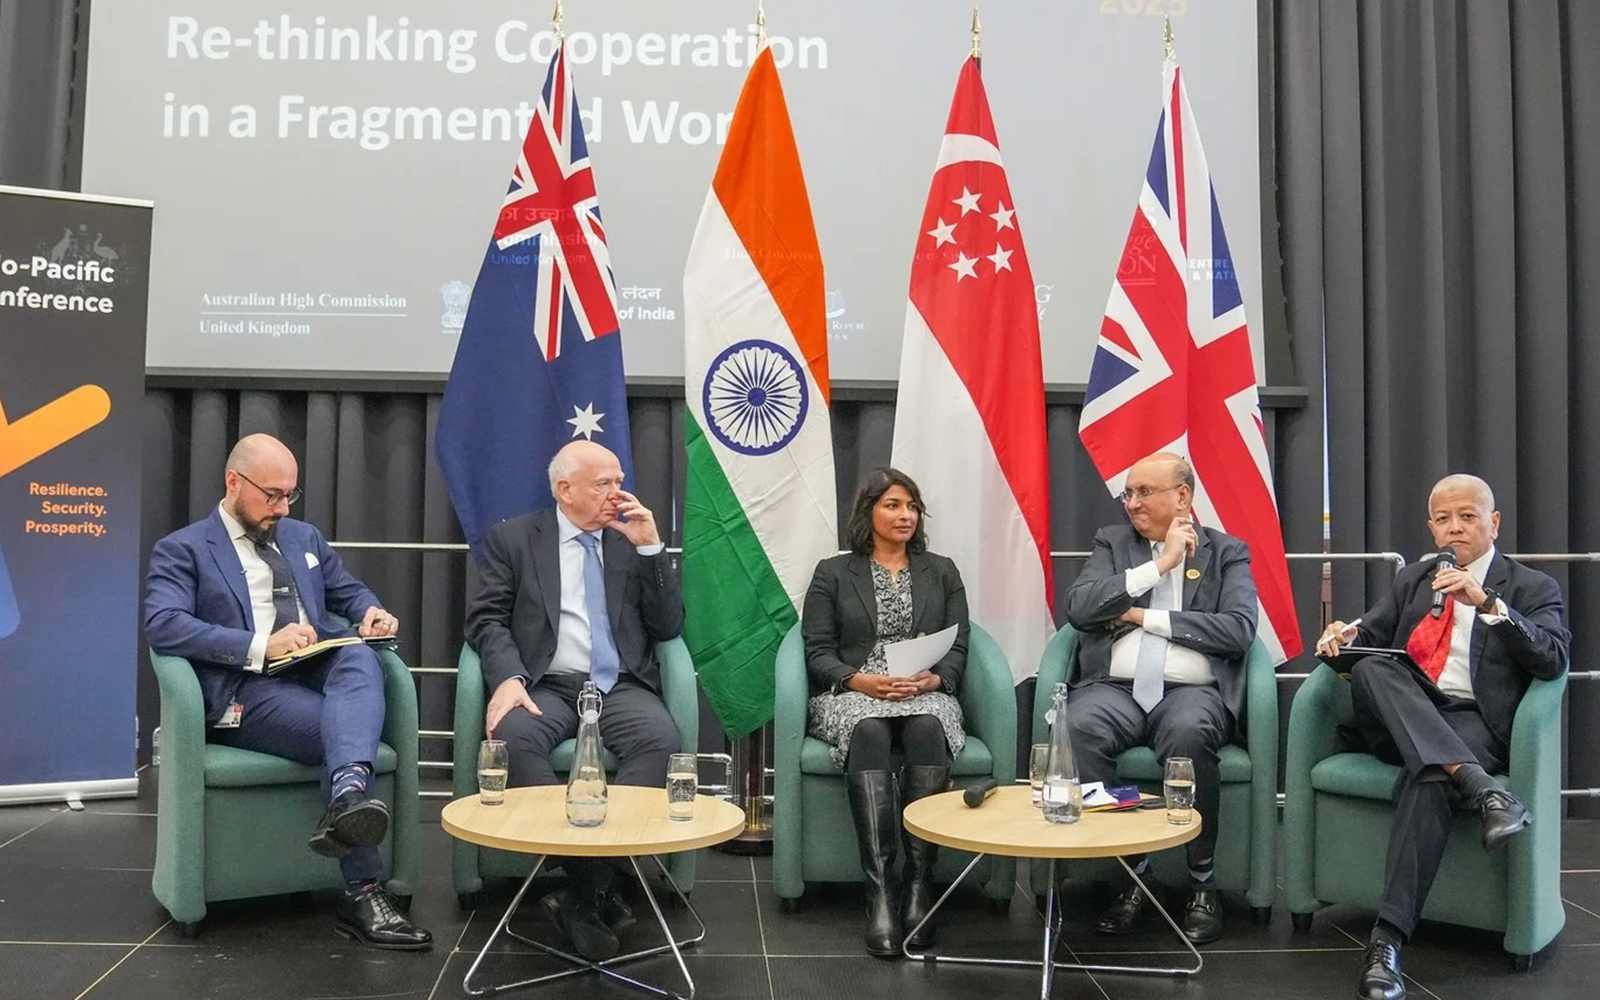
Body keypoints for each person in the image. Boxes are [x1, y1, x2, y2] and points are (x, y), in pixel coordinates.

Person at [143, 433, 432, 950]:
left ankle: (347, 797)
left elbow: (349, 591)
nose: (282, 508)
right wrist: (260, 645)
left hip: (311, 667)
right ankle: (363, 891)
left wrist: (370, 610)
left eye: (289, 495)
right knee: (343, 732)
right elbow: (164, 624)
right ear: (234, 481)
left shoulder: (303, 538)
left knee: (359, 654)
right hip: (245, 687)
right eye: (271, 495)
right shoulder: (184, 548)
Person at [1315, 474, 1569, 1000]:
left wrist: (1489, 605)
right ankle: (1484, 789)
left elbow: (1552, 658)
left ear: (1493, 523)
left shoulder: (1531, 587)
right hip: (1406, 714)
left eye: (1468, 516)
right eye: (1444, 519)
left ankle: (1386, 942)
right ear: (1431, 528)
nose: (1455, 528)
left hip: (1475, 721)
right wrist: (1343, 636)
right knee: (1372, 669)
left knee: (1430, 777)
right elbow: (1371, 636)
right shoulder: (1414, 579)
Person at [465, 440, 684, 963]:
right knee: (513, 741)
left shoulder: (630, 538)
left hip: (619, 684)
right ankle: (597, 886)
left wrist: (652, 549)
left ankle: (581, 894)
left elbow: (668, 626)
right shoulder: (514, 539)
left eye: (619, 481)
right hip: (545, 682)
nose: (618, 494)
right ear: (565, 490)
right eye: (603, 484)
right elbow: (486, 618)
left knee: (660, 741)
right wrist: (508, 677)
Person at [1061, 452, 1257, 946]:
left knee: (1189, 734)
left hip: (1191, 692)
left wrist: (1141, 616)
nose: (1132, 503)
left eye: (1144, 492)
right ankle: (1136, 872)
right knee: (1078, 728)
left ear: (1182, 496)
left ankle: (1202, 881)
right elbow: (1080, 608)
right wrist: (1158, 567)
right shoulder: (1113, 543)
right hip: (1115, 688)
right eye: (1128, 494)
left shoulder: (1226, 552)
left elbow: (1237, 631)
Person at [802, 468, 969, 958]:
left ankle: (919, 884)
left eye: (912, 507)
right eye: (893, 505)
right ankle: (878, 891)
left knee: (928, 727)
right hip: (853, 692)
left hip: (922, 690)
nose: (905, 515)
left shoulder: (942, 570)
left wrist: (935, 680)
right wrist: (861, 681)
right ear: (868, 512)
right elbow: (817, 651)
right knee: (869, 730)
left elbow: (959, 643)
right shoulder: (833, 573)